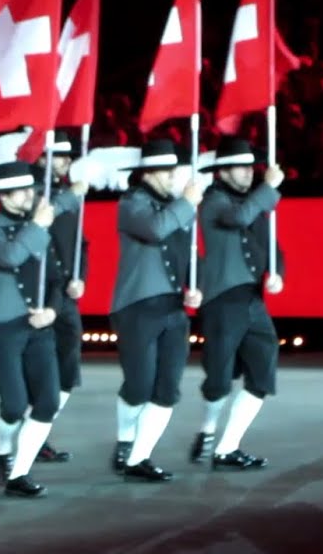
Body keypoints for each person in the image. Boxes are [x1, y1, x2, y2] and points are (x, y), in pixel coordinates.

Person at [0, 161, 87, 497]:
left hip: (40, 326)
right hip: (2, 326)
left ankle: (19, 473)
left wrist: (52, 310)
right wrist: (38, 226)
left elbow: (54, 278)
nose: (31, 196)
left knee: (48, 402)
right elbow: (9, 257)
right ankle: (1, 448)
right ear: (5, 196)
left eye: (32, 190)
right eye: (23, 191)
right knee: (13, 404)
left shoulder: (40, 227)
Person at [110, 139, 203, 482]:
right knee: (138, 385)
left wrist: (196, 286)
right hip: (137, 306)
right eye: (168, 171)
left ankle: (139, 458)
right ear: (149, 172)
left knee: (167, 388)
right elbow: (155, 229)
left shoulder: (178, 206)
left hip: (172, 306)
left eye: (174, 170)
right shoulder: (132, 203)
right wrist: (187, 203)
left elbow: (188, 254)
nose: (174, 176)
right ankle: (125, 440)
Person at [190, 137, 285, 471]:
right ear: (224, 171)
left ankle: (227, 448)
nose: (249, 173)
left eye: (251, 167)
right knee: (218, 378)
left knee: (262, 373)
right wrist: (269, 188)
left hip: (252, 299)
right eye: (242, 168)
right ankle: (207, 429)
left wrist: (277, 273)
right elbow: (239, 218)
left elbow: (272, 245)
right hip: (222, 300)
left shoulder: (254, 202)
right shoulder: (213, 200)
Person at [32, 131, 88, 463]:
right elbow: (45, 210)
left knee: (68, 366)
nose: (65, 163)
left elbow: (81, 244)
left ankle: (39, 433)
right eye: (59, 157)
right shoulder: (32, 189)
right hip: (37, 291)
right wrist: (72, 196)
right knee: (34, 369)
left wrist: (81, 276)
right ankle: (13, 440)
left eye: (68, 158)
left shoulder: (69, 194)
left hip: (65, 291)